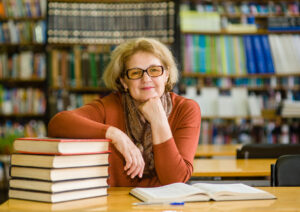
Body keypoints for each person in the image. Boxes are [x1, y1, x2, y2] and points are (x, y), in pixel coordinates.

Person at [48, 37, 201, 187]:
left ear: (166, 75)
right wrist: (115, 134)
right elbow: (58, 123)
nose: (146, 79)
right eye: (135, 73)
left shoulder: (185, 109)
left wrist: (158, 120)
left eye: (154, 70)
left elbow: (174, 181)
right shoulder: (111, 105)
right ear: (124, 81)